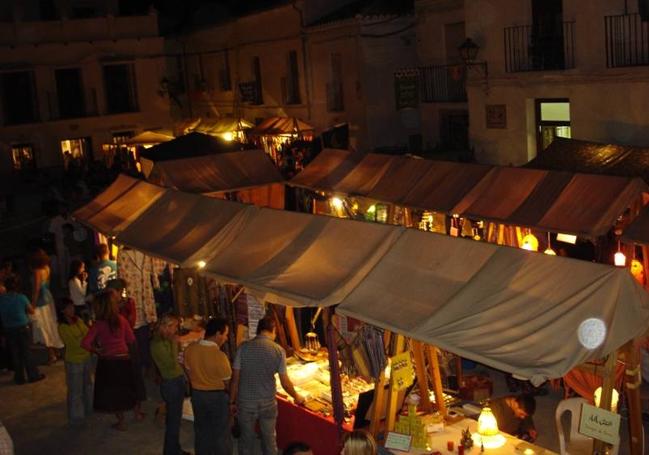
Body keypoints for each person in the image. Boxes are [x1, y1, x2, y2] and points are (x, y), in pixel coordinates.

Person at [230, 315, 305, 455]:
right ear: (273, 329)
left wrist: (231, 401)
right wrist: (296, 396)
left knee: (246, 440)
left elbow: (235, 378)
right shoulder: (278, 350)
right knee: (269, 439)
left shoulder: (243, 348)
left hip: (246, 402)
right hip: (268, 402)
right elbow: (285, 382)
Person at [81, 289, 138, 431]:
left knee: (113, 393)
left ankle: (121, 421)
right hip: (123, 359)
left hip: (108, 361)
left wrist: (97, 350)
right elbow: (131, 339)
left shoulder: (98, 324)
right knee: (126, 388)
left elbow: (85, 343)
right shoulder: (121, 320)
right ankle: (136, 413)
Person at [184, 317, 232, 454]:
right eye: (225, 334)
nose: (226, 338)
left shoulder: (190, 349)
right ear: (217, 334)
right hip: (216, 397)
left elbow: (187, 370)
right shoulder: (220, 357)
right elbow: (227, 383)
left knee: (201, 431)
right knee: (221, 433)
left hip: (198, 395)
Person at [150, 314, 189, 455]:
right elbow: (171, 364)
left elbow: (178, 358)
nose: (176, 330)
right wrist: (174, 342)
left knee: (175, 420)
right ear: (166, 327)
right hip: (171, 383)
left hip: (175, 380)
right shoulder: (157, 344)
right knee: (173, 421)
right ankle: (171, 450)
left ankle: (174, 448)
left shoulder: (165, 341)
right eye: (174, 326)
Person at [0, 275, 43, 384]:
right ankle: (33, 375)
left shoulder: (1, 299)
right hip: (22, 327)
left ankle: (19, 378)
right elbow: (31, 310)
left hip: (9, 328)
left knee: (15, 354)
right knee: (27, 352)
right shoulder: (21, 297)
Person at [57, 298, 93, 424]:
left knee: (87, 385)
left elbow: (88, 334)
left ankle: (89, 409)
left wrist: (85, 340)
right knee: (75, 390)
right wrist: (85, 340)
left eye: (72, 306)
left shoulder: (78, 320)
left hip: (85, 357)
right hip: (74, 360)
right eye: (68, 307)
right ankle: (77, 416)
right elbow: (74, 343)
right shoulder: (62, 327)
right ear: (62, 311)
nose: (72, 309)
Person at [29, 248, 64, 364]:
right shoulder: (47, 268)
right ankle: (56, 351)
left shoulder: (37, 271)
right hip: (49, 298)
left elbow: (36, 289)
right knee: (51, 325)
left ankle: (52, 354)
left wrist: (32, 305)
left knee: (43, 327)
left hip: (41, 302)